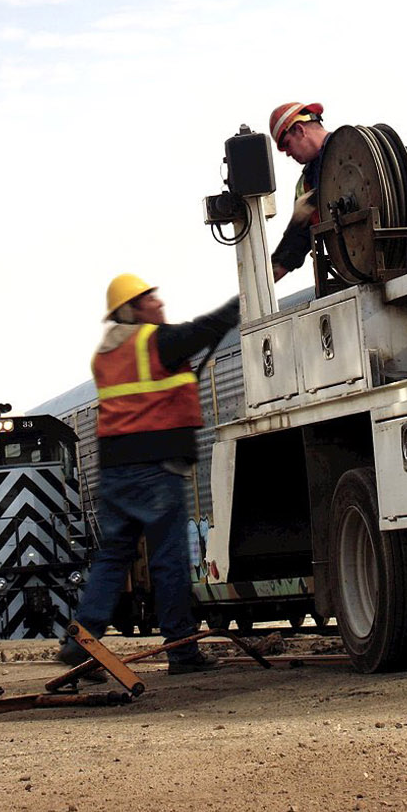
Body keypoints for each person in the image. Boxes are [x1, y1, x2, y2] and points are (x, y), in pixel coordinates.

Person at [60, 273, 239, 676]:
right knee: (168, 559)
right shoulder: (155, 342)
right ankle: (181, 649)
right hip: (155, 469)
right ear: (133, 309)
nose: (159, 304)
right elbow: (210, 327)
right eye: (151, 299)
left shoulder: (105, 355)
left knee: (113, 557)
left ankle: (81, 639)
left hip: (115, 472)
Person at [267, 100, 329, 282]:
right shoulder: (305, 185)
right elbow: (296, 241)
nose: (287, 153)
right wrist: (264, 282)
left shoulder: (354, 148)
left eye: (287, 144)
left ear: (300, 130)